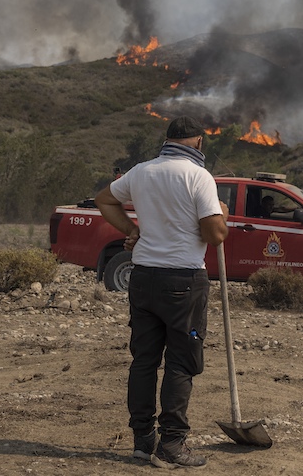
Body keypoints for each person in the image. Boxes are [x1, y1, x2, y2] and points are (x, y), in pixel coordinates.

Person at [94, 115, 228, 469]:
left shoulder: (141, 171)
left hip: (143, 278)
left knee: (144, 361)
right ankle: (171, 444)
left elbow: (104, 199)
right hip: (184, 281)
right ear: (198, 142)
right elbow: (214, 235)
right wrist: (222, 215)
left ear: (168, 139)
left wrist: (131, 228)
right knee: (182, 363)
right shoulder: (199, 176)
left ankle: (142, 442)